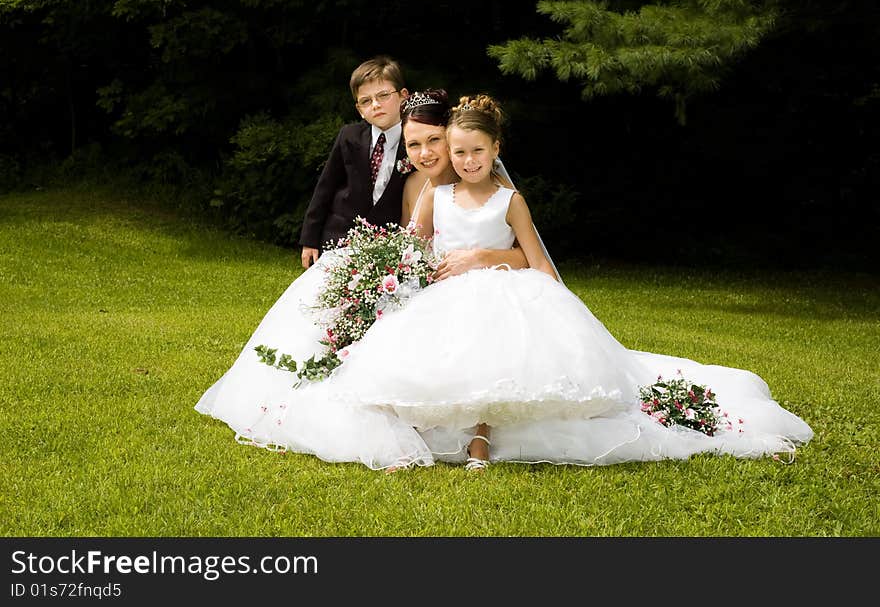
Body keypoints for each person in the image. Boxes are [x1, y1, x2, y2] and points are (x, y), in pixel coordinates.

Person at [319, 94, 814, 472]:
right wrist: (401, 278)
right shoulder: (435, 195)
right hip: (446, 295)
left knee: (494, 347)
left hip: (502, 291)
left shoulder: (510, 202)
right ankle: (431, 428)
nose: (468, 161)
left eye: (478, 152)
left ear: (495, 150)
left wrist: (497, 266)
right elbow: (413, 251)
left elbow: (541, 265)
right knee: (432, 355)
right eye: (459, 153)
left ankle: (481, 439)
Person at [194, 89, 528, 470]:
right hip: (427, 282)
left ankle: (470, 429)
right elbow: (412, 244)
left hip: (477, 288)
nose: (425, 153)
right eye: (414, 144)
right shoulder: (417, 184)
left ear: (451, 136)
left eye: (435, 141)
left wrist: (478, 258)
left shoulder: (490, 188)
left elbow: (525, 253)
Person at [299, 55, 410, 269]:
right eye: (366, 101)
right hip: (338, 237)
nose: (376, 105)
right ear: (359, 109)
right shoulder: (349, 136)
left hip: (388, 245)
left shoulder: (415, 143)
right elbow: (325, 188)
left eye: (383, 95)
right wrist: (310, 239)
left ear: (403, 96)